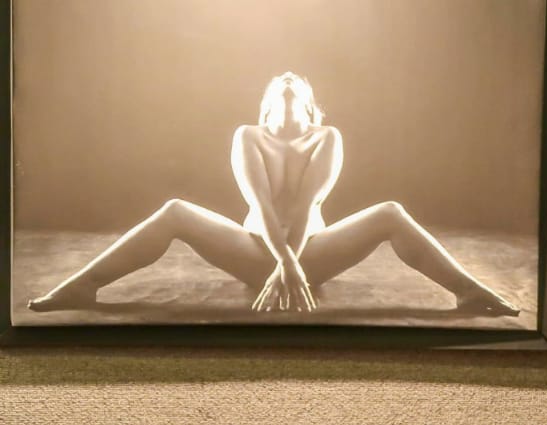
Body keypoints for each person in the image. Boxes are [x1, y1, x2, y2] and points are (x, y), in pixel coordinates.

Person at [27, 71, 518, 317]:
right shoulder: (248, 135)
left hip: (313, 254)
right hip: (254, 251)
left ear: (308, 102)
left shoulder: (327, 137)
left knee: (390, 211)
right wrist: (282, 262)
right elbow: (260, 205)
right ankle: (82, 285)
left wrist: (294, 264)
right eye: (277, 84)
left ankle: (468, 291)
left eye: (293, 83)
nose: (285, 79)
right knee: (175, 210)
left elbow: (307, 204)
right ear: (265, 105)